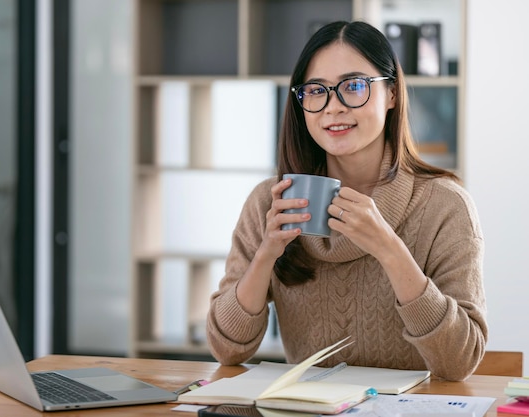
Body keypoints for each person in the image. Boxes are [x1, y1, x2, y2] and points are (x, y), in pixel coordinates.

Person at [205, 20, 487, 382]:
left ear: (392, 94)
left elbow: (459, 363)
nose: (332, 107)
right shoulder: (269, 201)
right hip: (304, 408)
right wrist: (266, 255)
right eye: (316, 91)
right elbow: (227, 349)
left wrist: (389, 249)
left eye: (354, 87)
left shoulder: (445, 206)